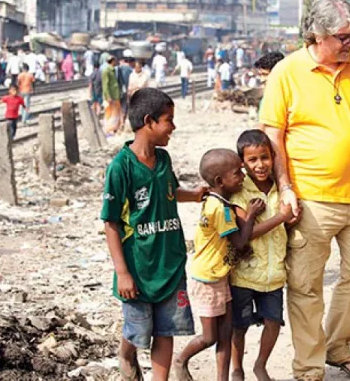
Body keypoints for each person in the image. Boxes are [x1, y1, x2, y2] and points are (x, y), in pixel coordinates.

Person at [259, 0, 350, 381]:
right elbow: (273, 135)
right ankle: (308, 368)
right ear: (317, 35)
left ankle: (338, 346)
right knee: (306, 288)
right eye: (343, 37)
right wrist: (285, 187)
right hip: (310, 201)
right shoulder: (286, 73)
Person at [101, 88, 205, 381]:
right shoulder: (120, 168)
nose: (173, 127)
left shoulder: (164, 160)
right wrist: (122, 273)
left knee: (166, 330)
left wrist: (194, 195)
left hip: (169, 263)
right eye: (168, 120)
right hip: (138, 267)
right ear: (149, 122)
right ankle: (126, 351)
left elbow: (169, 193)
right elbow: (111, 223)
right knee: (139, 330)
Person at [173, 149, 265, 381]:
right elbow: (241, 242)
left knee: (226, 334)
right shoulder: (220, 209)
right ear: (219, 181)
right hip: (208, 280)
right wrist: (251, 214)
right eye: (238, 173)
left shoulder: (216, 200)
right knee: (210, 336)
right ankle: (180, 360)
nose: (243, 176)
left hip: (219, 275)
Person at [229, 130, 297, 381]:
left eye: (265, 158)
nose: (260, 165)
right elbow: (246, 233)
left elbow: (289, 221)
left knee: (273, 322)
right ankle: (237, 368)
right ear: (242, 163)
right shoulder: (239, 191)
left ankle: (260, 364)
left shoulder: (281, 188)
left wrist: (290, 220)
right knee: (239, 325)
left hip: (274, 273)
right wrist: (281, 217)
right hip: (245, 274)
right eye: (253, 160)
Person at [102, 56, 122, 136]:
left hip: (115, 95)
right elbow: (105, 85)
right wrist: (108, 96)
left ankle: (114, 128)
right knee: (109, 114)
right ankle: (108, 130)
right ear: (112, 61)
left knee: (116, 113)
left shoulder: (113, 70)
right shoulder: (106, 70)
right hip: (111, 96)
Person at [118, 58, 134, 129]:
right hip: (129, 90)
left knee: (122, 107)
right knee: (128, 106)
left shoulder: (119, 68)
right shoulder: (130, 69)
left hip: (121, 90)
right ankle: (125, 123)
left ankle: (122, 123)